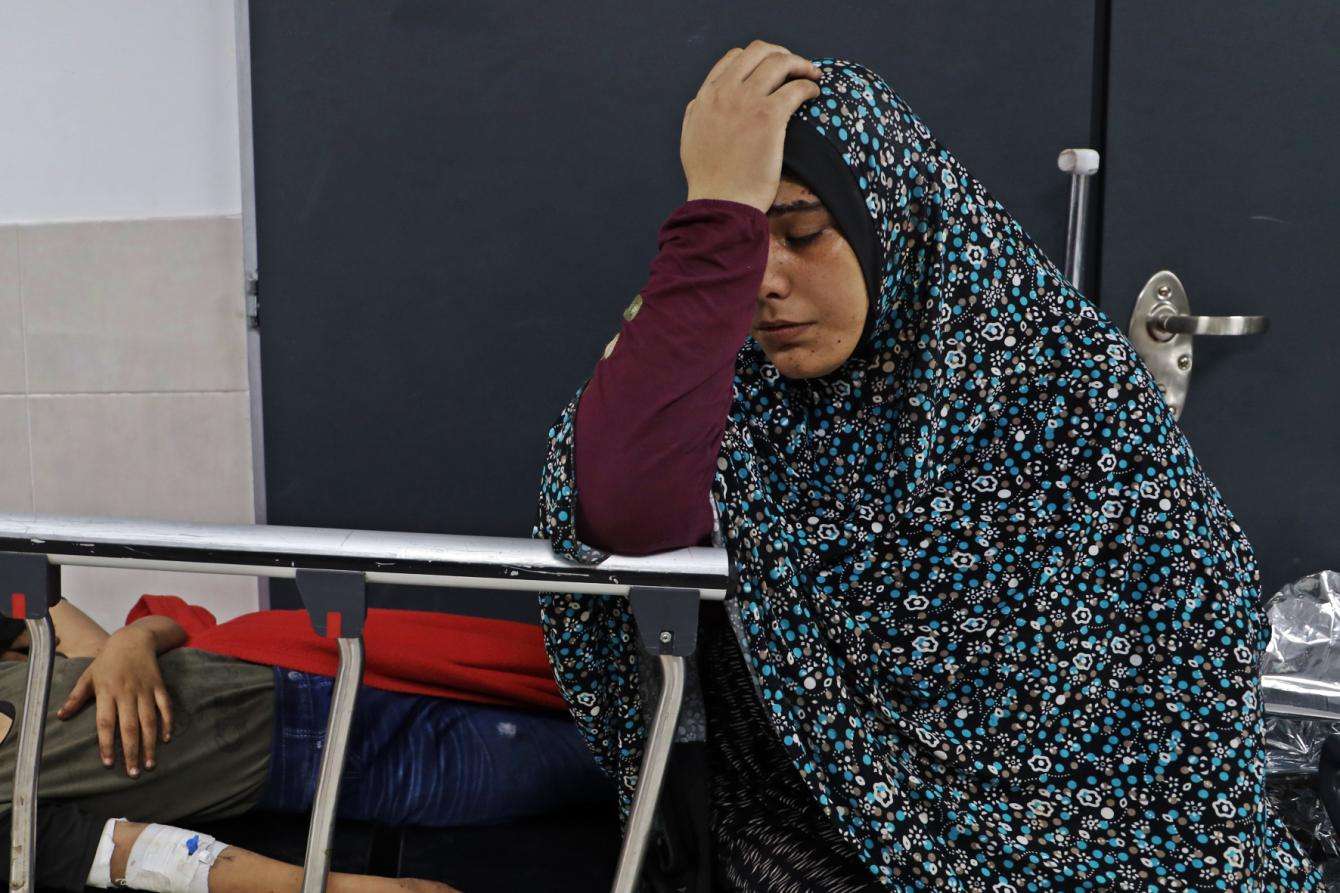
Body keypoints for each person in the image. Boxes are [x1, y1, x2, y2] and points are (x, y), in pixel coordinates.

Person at [533, 39, 1321, 891]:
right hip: (824, 844)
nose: (762, 280)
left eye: (800, 233)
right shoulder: (726, 388)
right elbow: (621, 515)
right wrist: (713, 214)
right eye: (740, 246)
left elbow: (1180, 695)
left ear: (893, 224)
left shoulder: (1063, 391)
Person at [0, 594, 613, 891]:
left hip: (313, 662)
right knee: (589, 769)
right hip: (339, 766)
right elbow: (157, 859)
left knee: (585, 694)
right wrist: (351, 890)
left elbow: (125, 641)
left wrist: (131, 640)